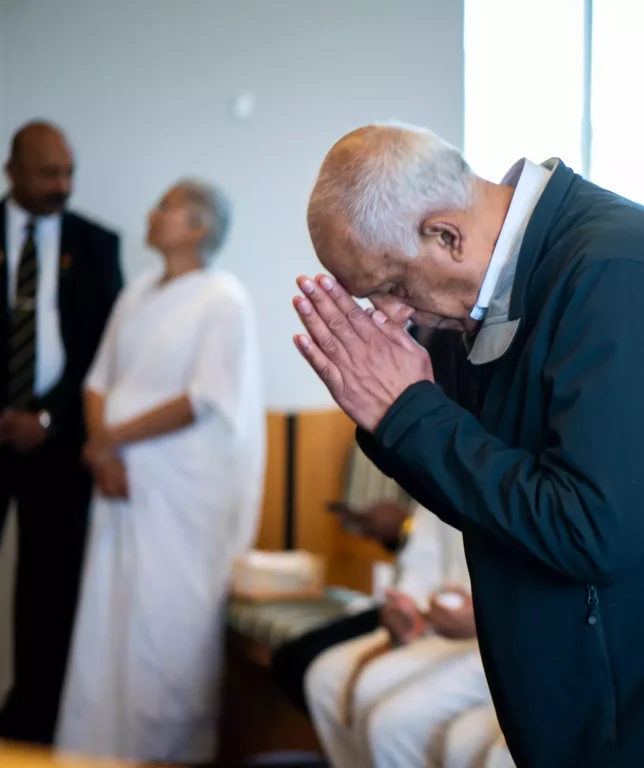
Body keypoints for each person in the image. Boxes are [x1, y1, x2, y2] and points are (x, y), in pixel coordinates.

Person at [291, 124, 644, 766]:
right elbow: (487, 495)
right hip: (598, 697)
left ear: (445, 235)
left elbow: (591, 527)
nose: (393, 314)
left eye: (389, 286)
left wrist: (408, 415)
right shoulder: (486, 293)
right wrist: (397, 415)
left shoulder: (617, 269)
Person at [54, 179, 265, 764]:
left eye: (166, 207)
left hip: (181, 498)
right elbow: (98, 379)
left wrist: (109, 443)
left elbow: (203, 397)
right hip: (119, 484)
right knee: (109, 625)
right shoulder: (138, 292)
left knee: (166, 629)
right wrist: (104, 449)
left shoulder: (223, 298)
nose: (151, 212)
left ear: (199, 228)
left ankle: (168, 753)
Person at [0, 121, 122, 744]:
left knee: (47, 596)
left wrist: (47, 418)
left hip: (59, 441)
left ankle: (33, 731)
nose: (61, 186)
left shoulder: (96, 245)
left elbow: (104, 352)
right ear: (11, 171)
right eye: (48, 173)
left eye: (68, 173)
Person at [305, 502, 496, 768]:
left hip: (504, 641)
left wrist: (491, 620)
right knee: (324, 677)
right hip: (447, 622)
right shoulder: (455, 463)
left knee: (394, 722)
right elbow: (425, 555)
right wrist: (411, 613)